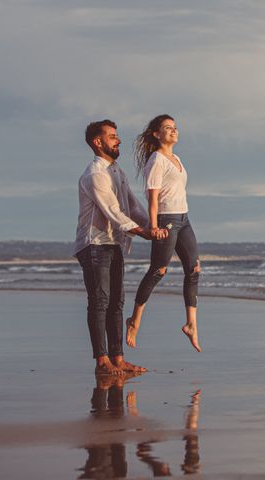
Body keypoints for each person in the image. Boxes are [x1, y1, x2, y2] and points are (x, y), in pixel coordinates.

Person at [74, 119, 167, 375]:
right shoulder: (95, 174)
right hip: (94, 244)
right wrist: (144, 233)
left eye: (116, 136)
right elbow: (114, 213)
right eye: (112, 136)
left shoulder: (117, 172)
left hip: (114, 243)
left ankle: (117, 358)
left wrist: (154, 226)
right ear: (98, 142)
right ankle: (102, 361)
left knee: (117, 302)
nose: (118, 140)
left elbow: (132, 207)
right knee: (100, 301)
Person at [126, 114, 202, 352]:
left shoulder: (176, 158)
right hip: (166, 220)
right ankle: (134, 320)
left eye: (175, 127)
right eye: (167, 128)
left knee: (194, 268)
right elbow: (152, 197)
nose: (173, 131)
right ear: (156, 134)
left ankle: (191, 325)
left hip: (184, 218)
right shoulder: (156, 160)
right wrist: (153, 225)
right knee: (159, 270)